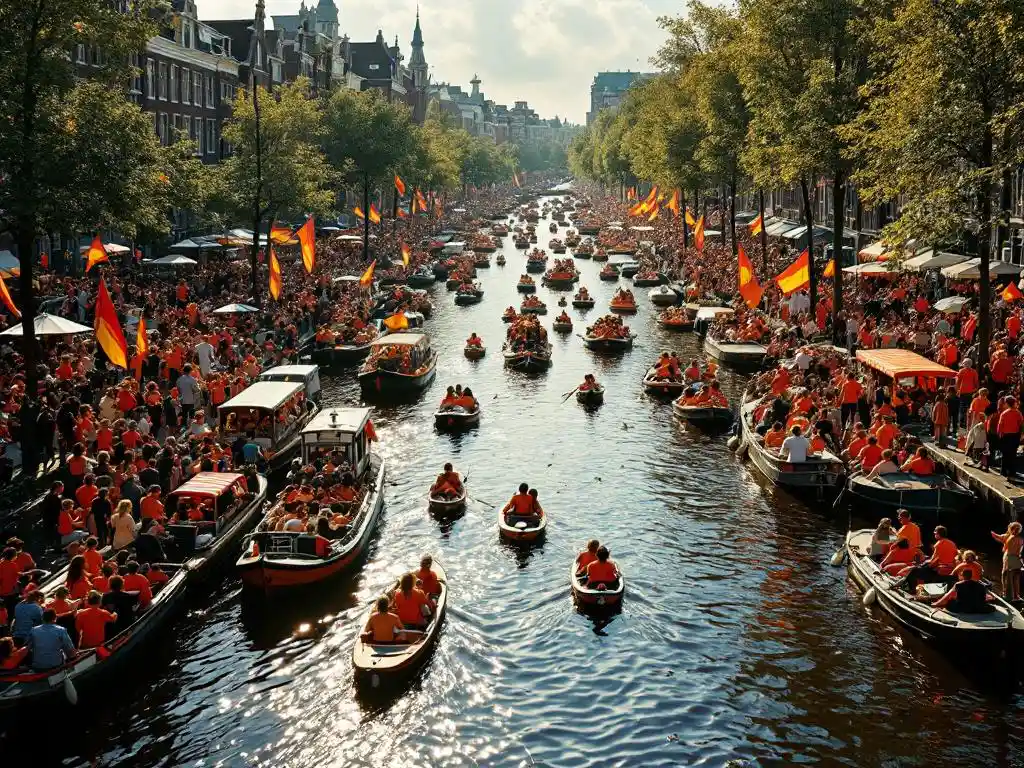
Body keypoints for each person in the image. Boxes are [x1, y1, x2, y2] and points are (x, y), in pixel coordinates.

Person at [900, 525, 958, 590]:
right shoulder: (952, 543)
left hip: (940, 569)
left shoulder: (939, 544)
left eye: (935, 533)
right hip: (950, 568)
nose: (934, 534)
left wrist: (923, 565)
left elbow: (934, 561)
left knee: (914, 571)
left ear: (939, 534)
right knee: (921, 568)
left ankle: (911, 589)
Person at [992, 521, 1024, 601]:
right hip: (1017, 559)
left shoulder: (1008, 537)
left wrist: (992, 533)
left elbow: (997, 537)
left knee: (1006, 576)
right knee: (1016, 578)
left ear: (1011, 529)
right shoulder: (1021, 540)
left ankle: (1006, 595)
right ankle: (1016, 596)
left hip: (1009, 558)